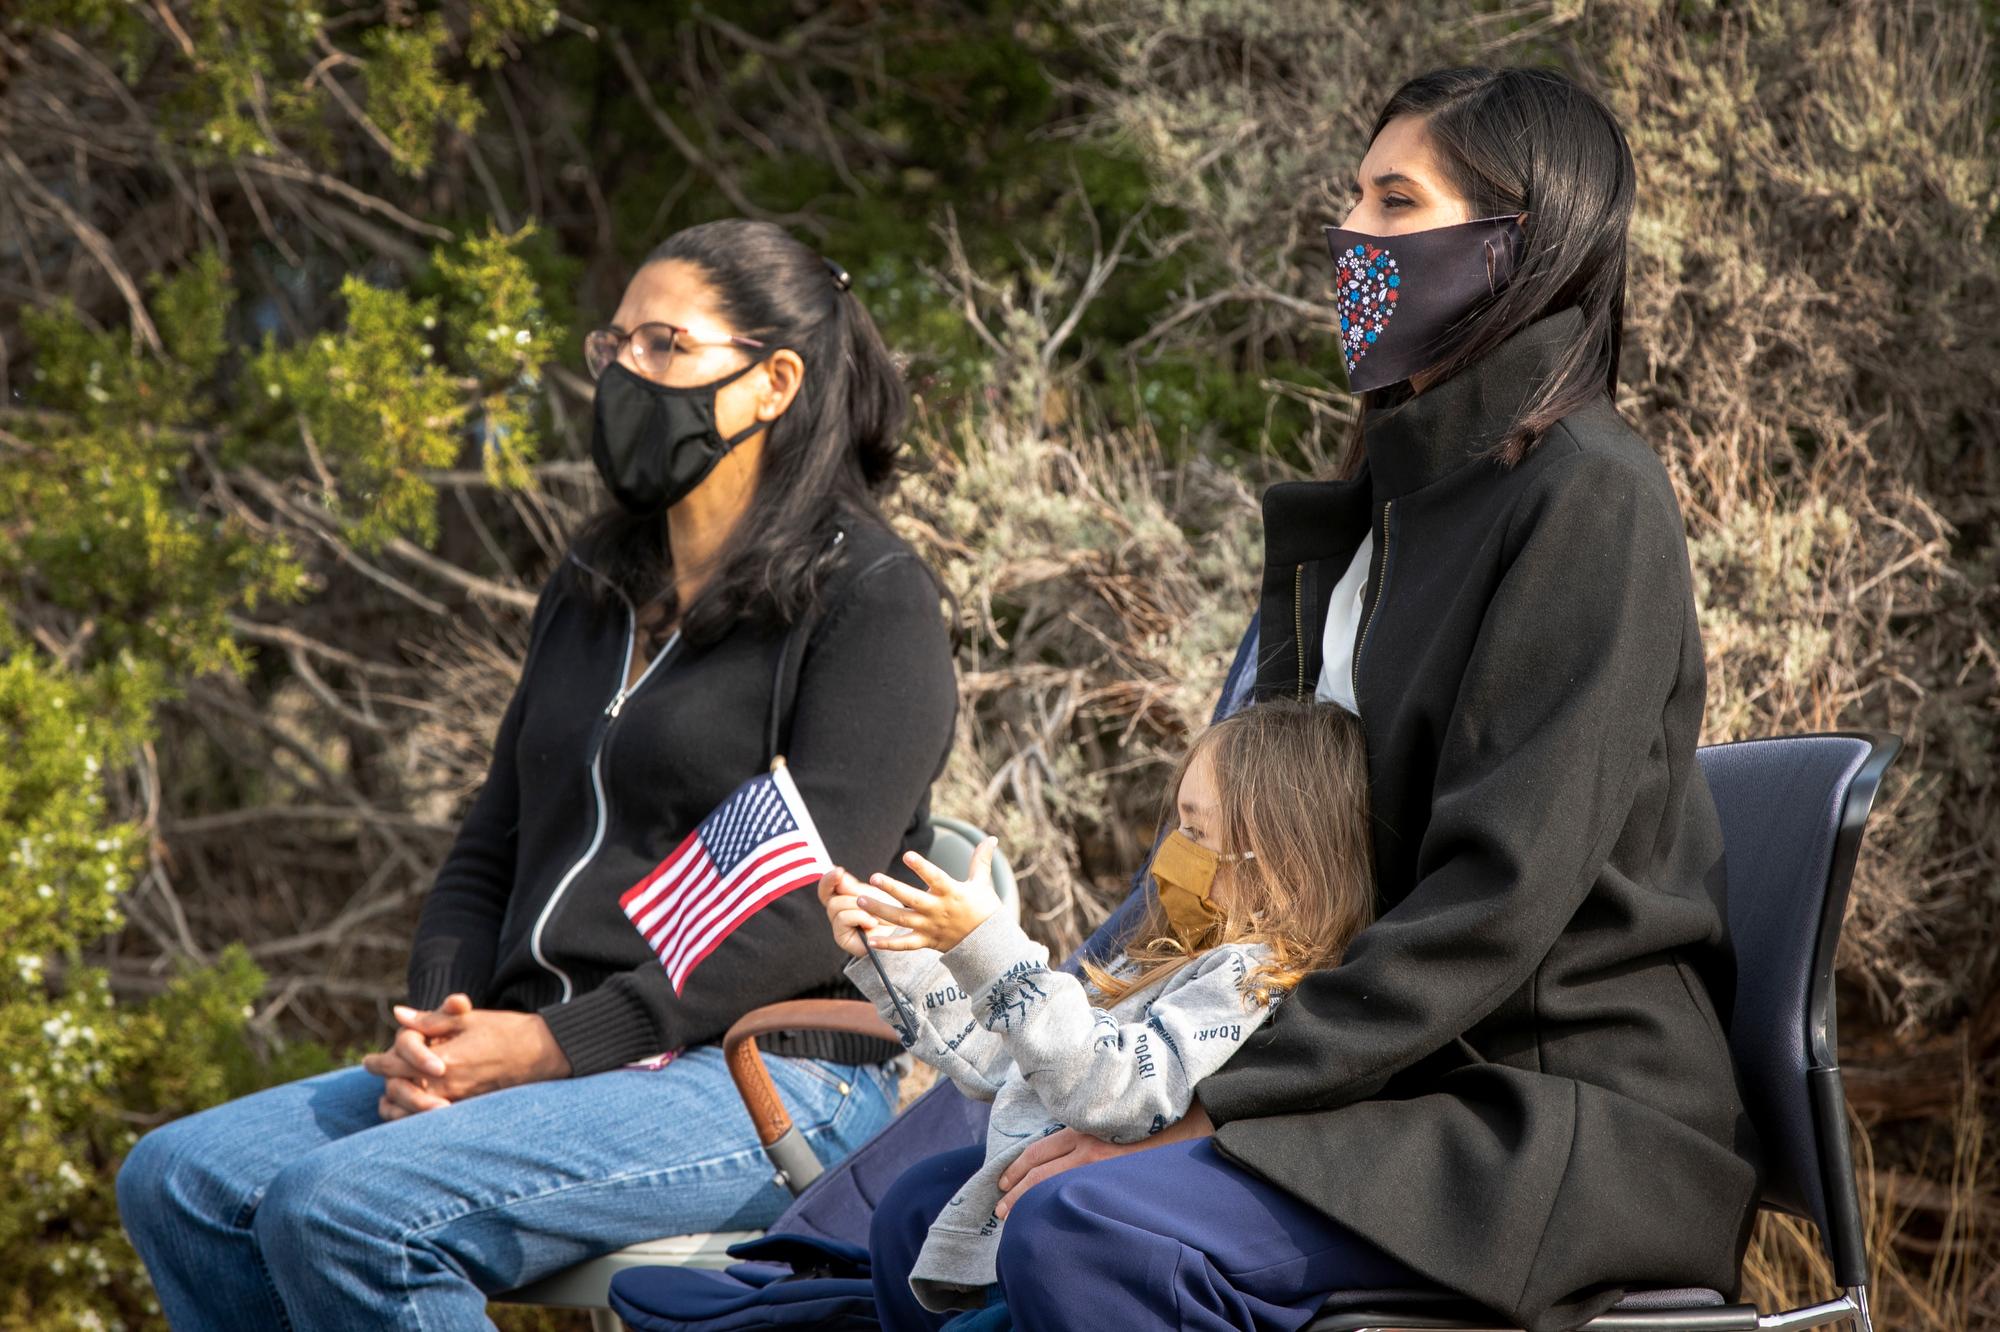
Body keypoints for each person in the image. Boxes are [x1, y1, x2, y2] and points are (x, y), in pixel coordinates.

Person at [867, 65, 1760, 1332]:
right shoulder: (1372, 513)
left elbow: (1491, 903)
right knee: (928, 1225)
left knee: (1081, 1227)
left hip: (1541, 1108)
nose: (1353, 235)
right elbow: (1266, 868)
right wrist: (1106, 1040)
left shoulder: (1587, 498)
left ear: (1515, 247)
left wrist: (1203, 1104)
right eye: (1353, 198)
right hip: (1365, 1080)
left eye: (1396, 203)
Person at [116, 219, 959, 1331]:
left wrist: (557, 1047)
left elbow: (815, 909)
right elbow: (493, 836)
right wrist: (441, 1025)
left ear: (773, 383)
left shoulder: (871, 602)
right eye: (613, 343)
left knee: (347, 1211)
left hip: (765, 1074)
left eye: (665, 345)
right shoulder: (594, 584)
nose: (624, 372)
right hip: (544, 1045)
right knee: (180, 1180)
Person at [829, 699, 1377, 1327]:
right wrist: (900, 957)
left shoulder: (1253, 978)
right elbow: (1010, 1061)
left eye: (1199, 834)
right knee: (912, 1205)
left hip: (1123, 1212)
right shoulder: (1166, 956)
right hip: (1045, 1187)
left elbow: (1118, 1091)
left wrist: (989, 946)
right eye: (1179, 827)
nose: (1174, 851)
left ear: (1287, 854)